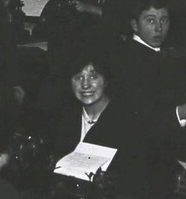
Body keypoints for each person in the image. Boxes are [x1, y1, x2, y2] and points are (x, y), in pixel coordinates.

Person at [108, 0, 186, 144]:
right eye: (151, 21)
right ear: (135, 25)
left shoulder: (159, 52)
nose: (159, 28)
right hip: (144, 145)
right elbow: (135, 117)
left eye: (164, 20)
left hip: (169, 136)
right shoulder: (126, 59)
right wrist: (181, 112)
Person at [48, 52, 145, 189]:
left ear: (106, 81)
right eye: (78, 77)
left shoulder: (129, 120)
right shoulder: (63, 118)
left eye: (93, 77)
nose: (85, 85)